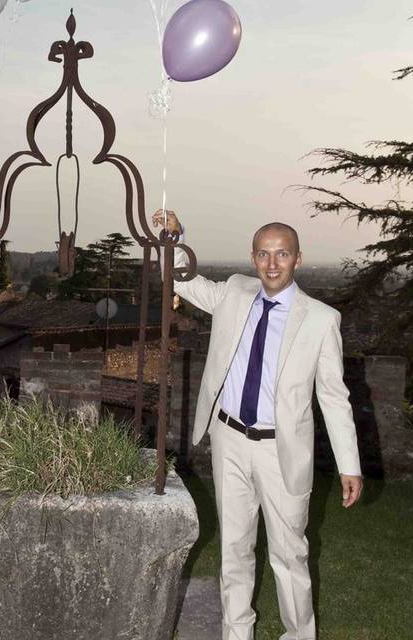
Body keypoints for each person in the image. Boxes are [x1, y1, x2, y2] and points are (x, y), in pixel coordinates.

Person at [152, 209, 363, 640]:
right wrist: (171, 236)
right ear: (253, 257)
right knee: (233, 550)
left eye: (282, 254)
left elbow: (333, 397)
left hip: (281, 452)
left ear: (297, 259)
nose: (272, 264)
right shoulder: (234, 292)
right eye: (264, 254)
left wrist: (350, 465)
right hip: (228, 440)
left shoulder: (322, 320)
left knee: (290, 557)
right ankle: (236, 634)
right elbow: (179, 278)